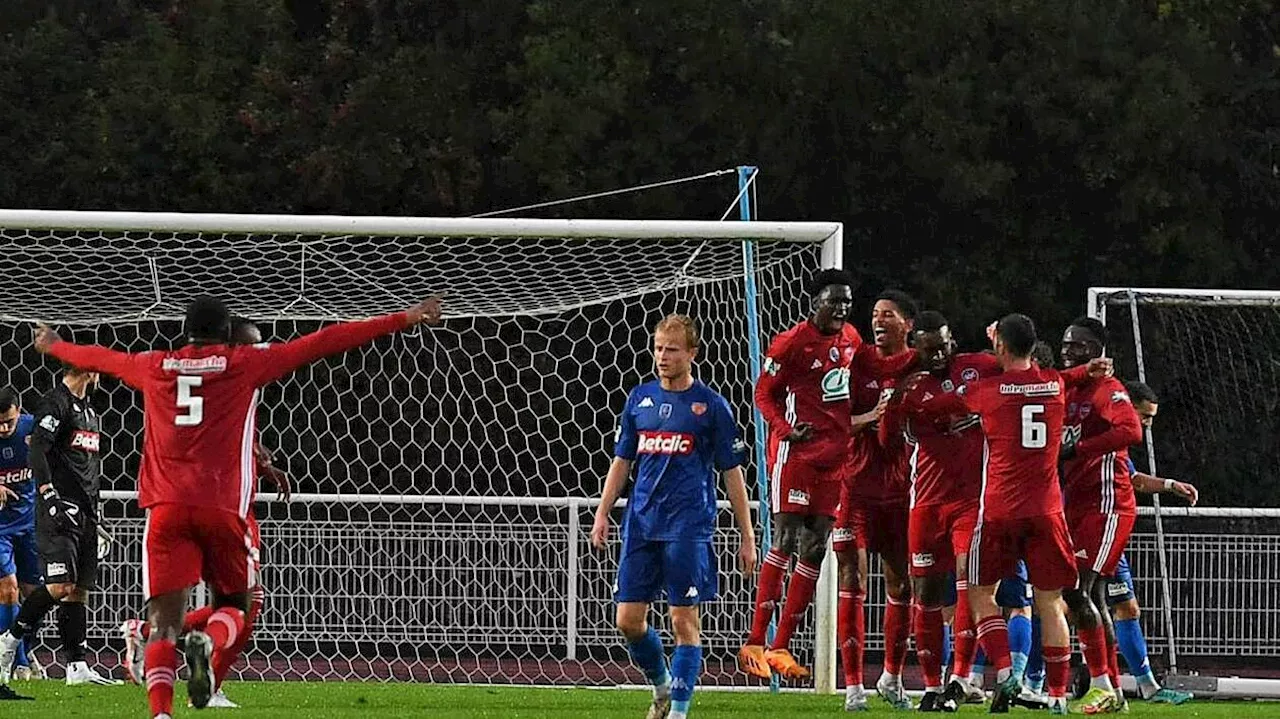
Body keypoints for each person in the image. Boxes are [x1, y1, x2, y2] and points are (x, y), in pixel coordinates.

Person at [30, 294, 441, 719]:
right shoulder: (242, 364)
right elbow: (326, 340)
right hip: (222, 507)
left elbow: (100, 357)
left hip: (166, 508)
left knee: (166, 621)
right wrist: (405, 317)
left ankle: (161, 715)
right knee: (239, 605)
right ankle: (208, 644)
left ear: (185, 332)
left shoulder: (155, 365)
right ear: (228, 335)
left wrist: (55, 344)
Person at [909, 313, 1111, 714]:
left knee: (980, 593)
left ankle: (1006, 674)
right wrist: (1088, 369)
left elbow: (936, 405)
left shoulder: (986, 391)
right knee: (1051, 603)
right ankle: (1056, 698)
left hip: (998, 511)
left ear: (999, 346)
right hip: (1048, 511)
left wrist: (906, 398)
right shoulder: (1054, 383)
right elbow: (1068, 380)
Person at [739, 270, 916, 683]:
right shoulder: (791, 343)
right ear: (814, 302)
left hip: (836, 462)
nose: (841, 308)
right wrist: (784, 429)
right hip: (797, 454)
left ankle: (780, 646)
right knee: (785, 538)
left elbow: (881, 363)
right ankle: (754, 641)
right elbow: (762, 392)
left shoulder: (852, 339)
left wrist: (924, 354)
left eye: (846, 302)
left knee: (815, 547)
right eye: (833, 300)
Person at [591, 314, 756, 719]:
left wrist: (747, 535)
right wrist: (602, 513)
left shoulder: (711, 407)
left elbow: (731, 472)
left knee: (684, 622)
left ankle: (679, 713)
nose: (662, 356)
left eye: (672, 349)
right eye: (658, 347)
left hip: (688, 526)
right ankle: (662, 687)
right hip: (641, 523)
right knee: (628, 621)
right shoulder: (639, 399)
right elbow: (622, 460)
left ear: (693, 354)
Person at [120, 318, 290, 709]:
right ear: (227, 348)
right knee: (243, 602)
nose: (258, 353)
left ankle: (152, 635)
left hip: (228, 503)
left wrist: (261, 462)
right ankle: (209, 682)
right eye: (251, 346)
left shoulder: (230, 385)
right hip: (218, 505)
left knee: (240, 602)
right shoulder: (223, 378)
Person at [876, 311, 1000, 711]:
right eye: (928, 349)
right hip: (926, 503)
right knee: (925, 595)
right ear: (918, 350)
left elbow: (1024, 368)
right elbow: (886, 438)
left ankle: (960, 677)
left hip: (971, 501)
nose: (937, 355)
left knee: (969, 580)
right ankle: (931, 685)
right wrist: (895, 397)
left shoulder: (979, 367)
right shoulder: (910, 387)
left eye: (943, 346)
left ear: (953, 341)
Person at [0, 367, 122, 690]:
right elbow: (37, 450)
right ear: (88, 369)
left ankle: (77, 666)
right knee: (59, 586)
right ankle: (9, 642)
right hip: (56, 512)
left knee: (79, 590)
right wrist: (50, 496)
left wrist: (95, 513)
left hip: (85, 513)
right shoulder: (55, 404)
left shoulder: (89, 411)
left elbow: (86, 468)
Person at [834, 290, 918, 710]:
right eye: (874, 314)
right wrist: (871, 418)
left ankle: (891, 677)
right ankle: (852, 687)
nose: (878, 320)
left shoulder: (918, 365)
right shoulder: (855, 363)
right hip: (854, 489)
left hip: (901, 491)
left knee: (902, 582)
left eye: (888, 315)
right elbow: (833, 423)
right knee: (853, 576)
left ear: (908, 324)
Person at [1059, 317, 1145, 714]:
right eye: (1065, 344)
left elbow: (1131, 431)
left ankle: (1105, 685)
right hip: (1077, 502)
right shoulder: (1070, 385)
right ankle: (1112, 690)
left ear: (1096, 350)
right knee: (1090, 594)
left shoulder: (1108, 389)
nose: (1067, 350)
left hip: (1108, 503)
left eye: (1076, 346)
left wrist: (1080, 449)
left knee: (1078, 589)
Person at [1100, 381, 1194, 706]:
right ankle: (1041, 680)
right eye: (1144, 416)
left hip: (1111, 538)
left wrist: (1171, 485)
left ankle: (1146, 687)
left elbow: (1135, 480)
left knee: (1123, 608)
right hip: (1091, 532)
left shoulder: (1120, 445)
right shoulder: (1100, 436)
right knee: (1065, 607)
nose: (1147, 425)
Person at [0, 390, 39, 700]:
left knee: (33, 594)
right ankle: (17, 661)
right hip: (0, 528)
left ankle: (22, 650)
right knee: (8, 588)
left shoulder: (33, 429)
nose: (3, 429)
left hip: (30, 525)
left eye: (8, 421)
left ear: (19, 412)